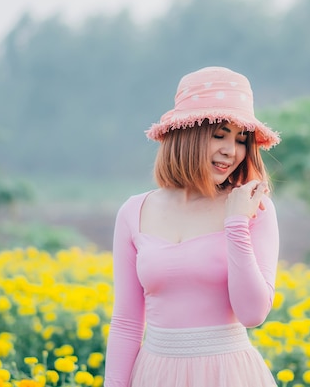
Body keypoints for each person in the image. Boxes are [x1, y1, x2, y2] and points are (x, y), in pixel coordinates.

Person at [103, 66, 281, 387]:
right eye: (219, 135)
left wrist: (236, 223)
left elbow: (253, 314)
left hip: (229, 376)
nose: (232, 150)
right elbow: (127, 323)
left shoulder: (255, 210)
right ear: (187, 136)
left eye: (241, 139)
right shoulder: (134, 211)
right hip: (155, 375)